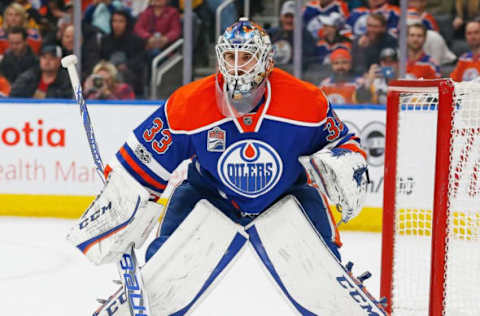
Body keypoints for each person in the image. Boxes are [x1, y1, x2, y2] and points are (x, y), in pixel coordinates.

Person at [70, 18, 380, 316]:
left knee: (324, 278)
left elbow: (342, 143)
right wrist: (119, 205)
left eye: (245, 56)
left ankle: (344, 294)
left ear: (266, 60)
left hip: (288, 193)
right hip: (209, 192)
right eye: (229, 56)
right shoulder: (188, 103)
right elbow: (140, 166)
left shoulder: (305, 101)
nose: (236, 65)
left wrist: (344, 164)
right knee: (163, 273)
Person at [100, 8, 146, 97]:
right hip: (108, 75)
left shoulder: (136, 41)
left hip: (129, 76)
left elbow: (140, 60)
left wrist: (126, 66)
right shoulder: (105, 40)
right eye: (114, 21)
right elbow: (101, 59)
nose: (117, 24)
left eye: (121, 21)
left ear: (127, 23)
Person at [268, 1, 315, 69]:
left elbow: (309, 60)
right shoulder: (272, 34)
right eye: (286, 16)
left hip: (296, 75)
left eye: (292, 16)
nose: (289, 20)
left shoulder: (306, 36)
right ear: (281, 17)